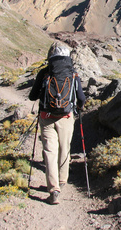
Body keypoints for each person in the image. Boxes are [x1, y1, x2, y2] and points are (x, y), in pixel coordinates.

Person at [29, 42, 86, 205]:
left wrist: (43, 94)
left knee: (49, 151)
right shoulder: (73, 74)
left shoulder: (44, 72)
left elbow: (32, 97)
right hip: (67, 118)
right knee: (64, 149)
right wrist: (79, 107)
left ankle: (54, 189)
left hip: (46, 117)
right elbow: (81, 98)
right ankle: (62, 181)